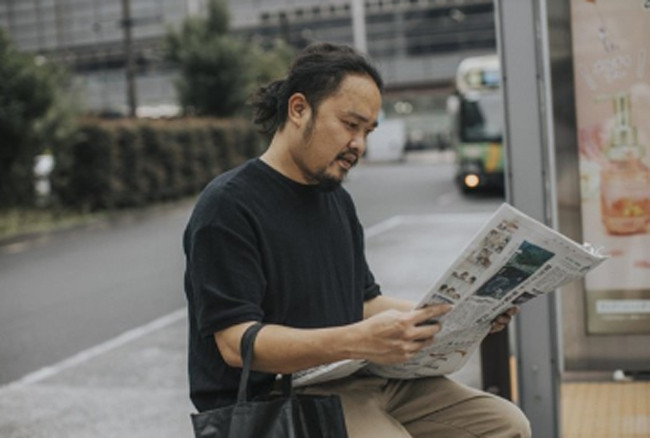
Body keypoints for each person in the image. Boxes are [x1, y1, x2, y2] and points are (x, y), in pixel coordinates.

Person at [183, 42, 531, 437]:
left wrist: (463, 315)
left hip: (360, 375)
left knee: (505, 425)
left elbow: (364, 302)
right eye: (350, 125)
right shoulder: (228, 206)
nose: (359, 145)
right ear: (298, 109)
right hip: (280, 396)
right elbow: (236, 345)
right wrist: (358, 341)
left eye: (367, 131)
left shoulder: (335, 199)